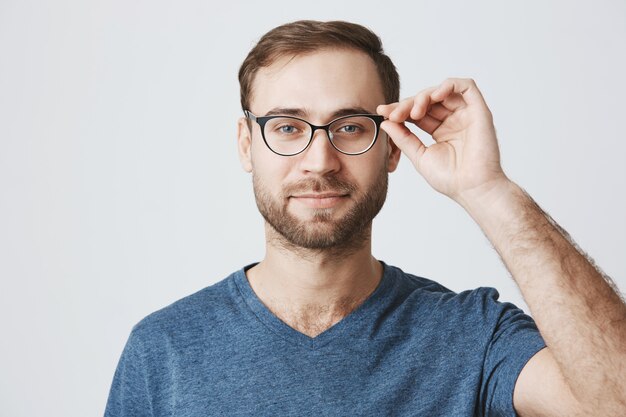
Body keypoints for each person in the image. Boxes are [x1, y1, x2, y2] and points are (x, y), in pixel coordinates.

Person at [104, 20, 626, 417]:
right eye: (287, 127)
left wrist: (489, 190)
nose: (319, 160)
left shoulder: (474, 337)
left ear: (393, 148)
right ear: (247, 145)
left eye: (351, 127)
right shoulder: (163, 351)